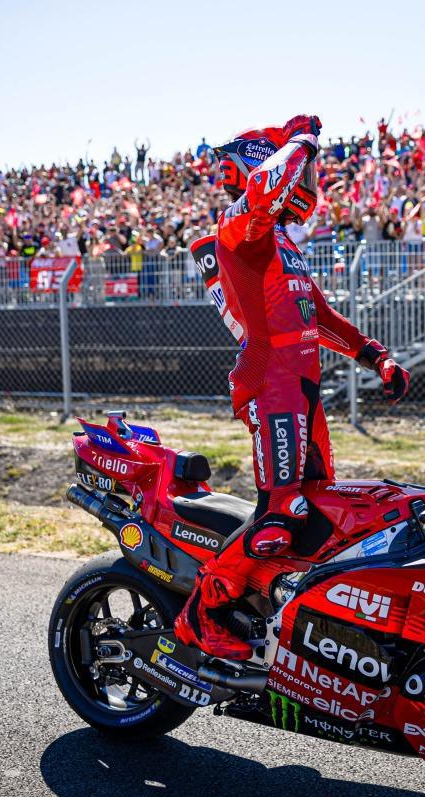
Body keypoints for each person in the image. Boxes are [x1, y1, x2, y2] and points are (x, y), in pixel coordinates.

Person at [174, 114, 410, 660]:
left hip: (303, 385)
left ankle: (274, 612)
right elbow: (263, 193)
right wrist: (300, 139)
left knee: (318, 513)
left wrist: (376, 356)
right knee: (282, 512)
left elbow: (318, 316)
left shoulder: (282, 240)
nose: (308, 183)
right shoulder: (242, 227)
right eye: (298, 172)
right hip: (271, 379)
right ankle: (203, 614)